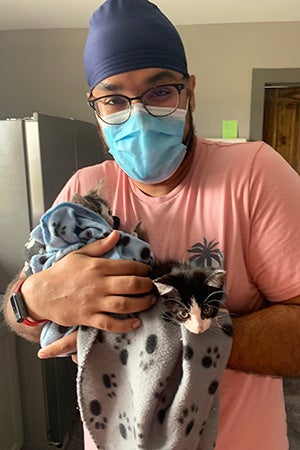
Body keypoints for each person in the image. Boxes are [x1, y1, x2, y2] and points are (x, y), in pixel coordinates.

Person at [3, 0, 300, 449]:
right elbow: (21, 313)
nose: (137, 116)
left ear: (190, 92)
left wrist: (172, 331)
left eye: (160, 92)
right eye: (114, 99)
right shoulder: (86, 187)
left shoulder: (254, 174)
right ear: (95, 106)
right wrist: (33, 299)